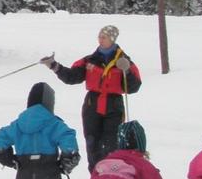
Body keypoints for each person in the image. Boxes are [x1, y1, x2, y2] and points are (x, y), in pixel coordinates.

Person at [40, 24, 141, 171]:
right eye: (99, 36)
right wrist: (54, 66)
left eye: (104, 37)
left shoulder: (124, 61)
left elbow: (133, 88)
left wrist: (127, 71)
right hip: (92, 104)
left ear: (112, 39)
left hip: (114, 105)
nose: (100, 39)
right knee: (92, 143)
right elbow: (71, 77)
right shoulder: (89, 60)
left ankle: (111, 176)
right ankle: (95, 176)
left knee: (111, 144)